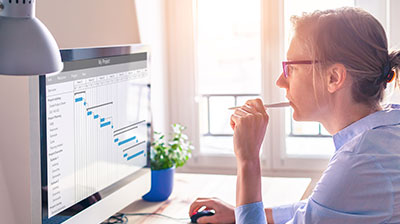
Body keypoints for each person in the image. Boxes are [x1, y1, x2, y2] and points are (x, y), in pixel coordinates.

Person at [189, 7, 400, 224]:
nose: (280, 81)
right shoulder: (386, 132)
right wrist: (240, 214)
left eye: (291, 68)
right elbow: (318, 207)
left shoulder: (359, 161)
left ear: (333, 77)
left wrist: (248, 160)